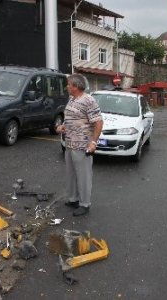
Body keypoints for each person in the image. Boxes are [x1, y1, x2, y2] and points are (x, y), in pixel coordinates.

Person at [56, 74, 103, 216]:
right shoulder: (72, 99)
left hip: (82, 145)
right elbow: (71, 117)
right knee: (71, 174)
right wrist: (62, 126)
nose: (67, 87)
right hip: (69, 144)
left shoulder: (88, 100)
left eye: (68, 84)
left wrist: (93, 142)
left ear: (75, 86)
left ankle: (84, 204)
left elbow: (98, 122)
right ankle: (73, 199)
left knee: (83, 176)